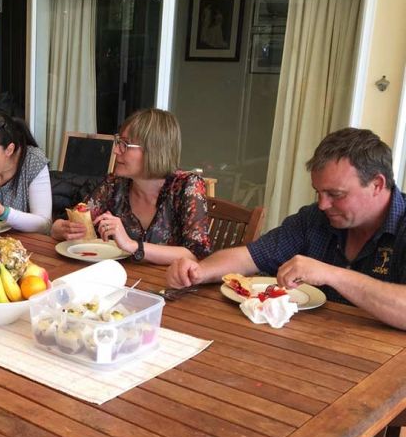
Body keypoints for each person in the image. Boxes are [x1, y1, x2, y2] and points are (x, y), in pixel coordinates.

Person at [167, 128, 406, 330]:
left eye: (335, 194)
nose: (323, 204)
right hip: (311, 347)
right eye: (318, 192)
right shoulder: (314, 219)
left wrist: (332, 274)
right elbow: (249, 256)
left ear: (377, 185)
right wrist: (198, 271)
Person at [51, 108, 211, 265]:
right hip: (121, 280)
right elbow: (69, 220)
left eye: (124, 144)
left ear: (153, 151)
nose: (115, 150)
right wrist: (62, 228)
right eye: (118, 142)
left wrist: (132, 245)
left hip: (170, 285)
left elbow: (195, 254)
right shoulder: (114, 184)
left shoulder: (187, 186)